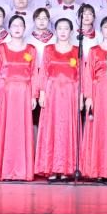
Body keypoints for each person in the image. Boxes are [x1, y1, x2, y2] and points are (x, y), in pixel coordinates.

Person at [0, 14, 40, 181]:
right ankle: (5, 170)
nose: (17, 28)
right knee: (6, 129)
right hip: (6, 92)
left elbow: (34, 74)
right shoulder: (1, 48)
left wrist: (34, 95)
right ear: (9, 29)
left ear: (25, 28)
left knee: (22, 130)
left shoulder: (31, 49)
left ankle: (22, 170)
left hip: (24, 93)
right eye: (14, 26)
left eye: (20, 25)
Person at [36, 18, 82, 182]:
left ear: (71, 32)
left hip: (70, 94)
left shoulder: (77, 50)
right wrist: (42, 93)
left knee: (67, 129)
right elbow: (43, 72)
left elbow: (81, 75)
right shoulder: (48, 49)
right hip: (52, 93)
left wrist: (81, 97)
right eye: (60, 28)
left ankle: (66, 169)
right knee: (52, 128)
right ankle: (51, 168)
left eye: (66, 28)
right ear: (55, 31)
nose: (63, 31)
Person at [82, 16, 107, 181]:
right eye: (106, 27)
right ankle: (98, 170)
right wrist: (89, 97)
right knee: (99, 130)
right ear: (101, 30)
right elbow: (88, 75)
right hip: (99, 94)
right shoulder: (94, 51)